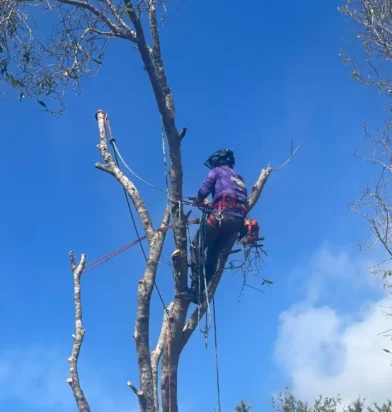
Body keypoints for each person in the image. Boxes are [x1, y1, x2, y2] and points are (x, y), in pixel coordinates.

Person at [189, 149, 248, 303]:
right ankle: (203, 289)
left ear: (219, 160)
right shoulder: (239, 177)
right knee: (213, 255)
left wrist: (198, 200)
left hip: (221, 217)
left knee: (197, 246)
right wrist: (213, 205)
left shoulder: (217, 171)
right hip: (236, 222)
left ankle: (196, 289)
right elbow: (232, 199)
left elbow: (204, 190)